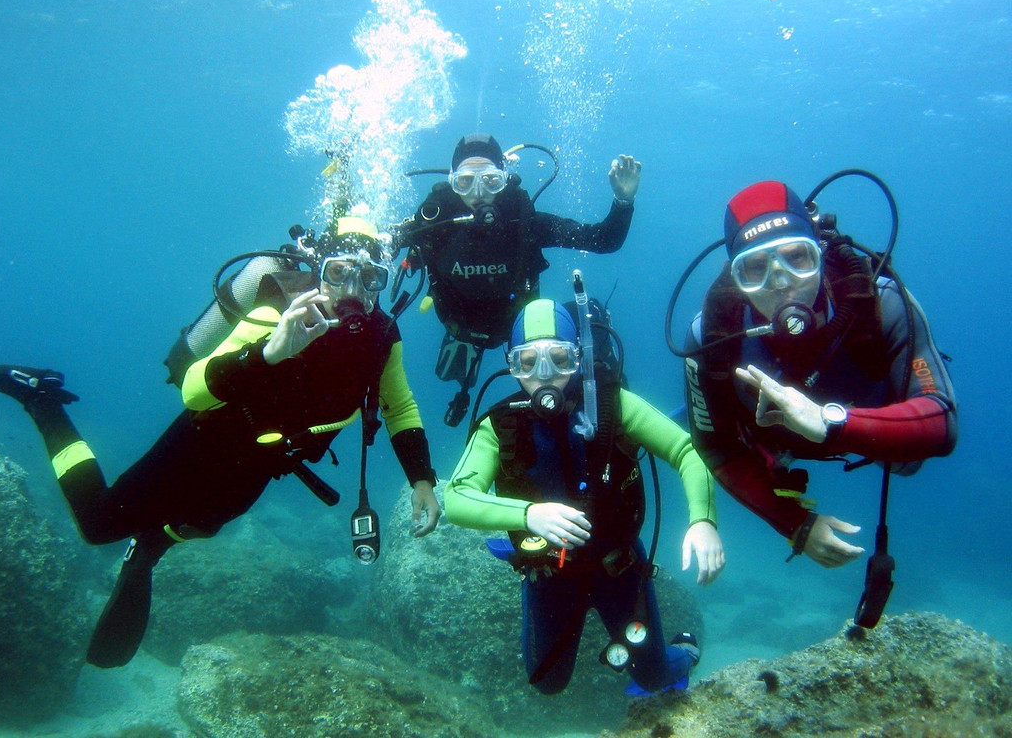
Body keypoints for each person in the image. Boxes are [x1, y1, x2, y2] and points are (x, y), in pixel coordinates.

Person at [0, 215, 440, 668]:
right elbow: (195, 392)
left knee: (200, 525)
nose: (352, 292)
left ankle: (150, 545)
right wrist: (270, 351)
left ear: (385, 281)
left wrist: (421, 479)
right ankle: (39, 399)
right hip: (203, 442)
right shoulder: (274, 316)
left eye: (369, 278)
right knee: (98, 524)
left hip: (265, 465)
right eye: (339, 274)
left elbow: (401, 408)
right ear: (319, 270)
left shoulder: (382, 338)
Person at [445, 299, 724, 695]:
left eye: (559, 358)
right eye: (527, 362)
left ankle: (685, 651)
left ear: (580, 358)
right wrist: (529, 515)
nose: (544, 376)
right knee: (547, 683)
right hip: (549, 573)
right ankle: (523, 562)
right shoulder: (499, 426)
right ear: (511, 365)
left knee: (654, 677)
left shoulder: (615, 406)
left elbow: (687, 452)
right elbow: (456, 498)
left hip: (620, 570)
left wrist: (703, 520)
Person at [682, 180, 957, 568]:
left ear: (822, 253)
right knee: (696, 424)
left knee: (907, 463)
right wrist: (796, 524)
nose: (781, 283)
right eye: (755, 268)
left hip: (857, 424)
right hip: (773, 441)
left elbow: (942, 418)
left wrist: (830, 421)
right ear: (735, 279)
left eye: (798, 258)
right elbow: (716, 447)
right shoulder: (709, 338)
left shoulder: (885, 304)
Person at [393, 133, 640, 426]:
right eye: (465, 182)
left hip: (522, 333)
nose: (478, 194)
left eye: (490, 181)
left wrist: (623, 200)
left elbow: (603, 240)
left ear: (504, 179)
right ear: (452, 183)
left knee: (587, 323)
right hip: (458, 324)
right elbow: (375, 248)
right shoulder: (433, 224)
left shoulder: (524, 225)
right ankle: (466, 354)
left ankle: (606, 407)